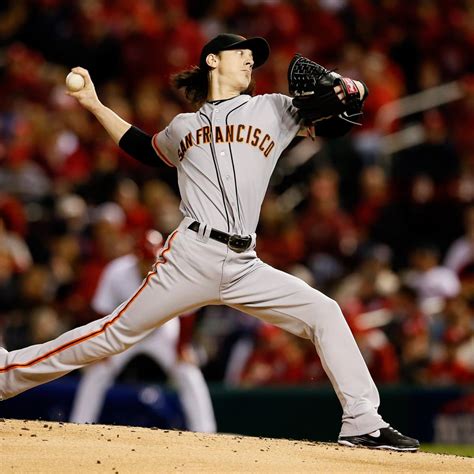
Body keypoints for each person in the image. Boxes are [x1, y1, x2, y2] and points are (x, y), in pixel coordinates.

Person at [0, 33, 419, 451]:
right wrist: (94, 104)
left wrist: (352, 89)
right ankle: (5, 376)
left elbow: (334, 120)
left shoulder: (274, 108)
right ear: (213, 60)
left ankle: (363, 421)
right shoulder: (182, 126)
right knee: (113, 334)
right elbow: (143, 148)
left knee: (324, 312)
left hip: (244, 263)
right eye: (242, 53)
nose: (250, 60)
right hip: (190, 255)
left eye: (254, 57)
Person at [69, 229, 216, 432]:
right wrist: (101, 348)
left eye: (151, 259)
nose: (148, 265)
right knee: (98, 371)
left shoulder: (173, 270)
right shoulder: (118, 271)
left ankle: (206, 431)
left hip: (161, 329)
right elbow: (102, 310)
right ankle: (78, 425)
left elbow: (187, 313)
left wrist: (181, 347)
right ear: (135, 258)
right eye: (144, 260)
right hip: (126, 331)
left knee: (188, 371)